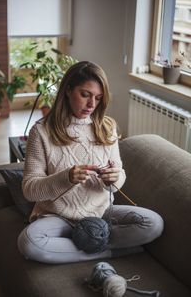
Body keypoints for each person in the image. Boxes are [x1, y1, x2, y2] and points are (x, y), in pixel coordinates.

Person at [18, 61, 164, 264]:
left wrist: (114, 178)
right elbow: (29, 190)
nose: (91, 104)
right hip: (58, 217)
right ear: (68, 90)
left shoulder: (107, 127)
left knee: (153, 223)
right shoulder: (41, 132)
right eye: (85, 95)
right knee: (29, 242)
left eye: (98, 98)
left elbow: (118, 177)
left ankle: (77, 246)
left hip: (100, 215)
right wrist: (66, 177)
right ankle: (107, 251)